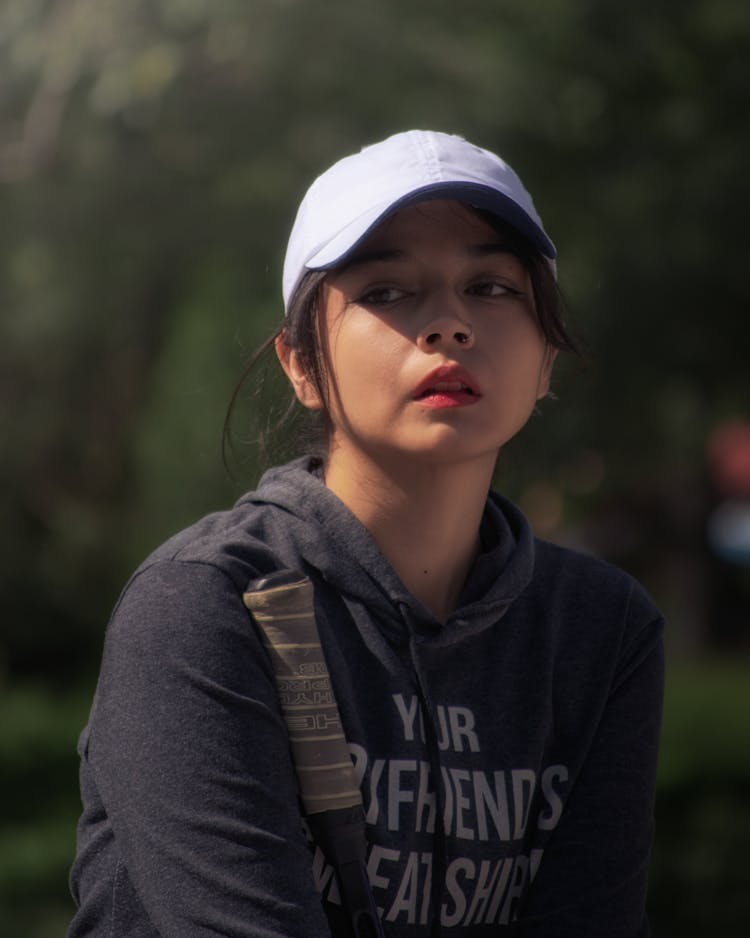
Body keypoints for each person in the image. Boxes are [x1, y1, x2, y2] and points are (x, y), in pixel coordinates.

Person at [67, 130, 664, 937]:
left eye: (491, 286)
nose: (450, 324)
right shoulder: (203, 607)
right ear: (302, 364)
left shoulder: (602, 628)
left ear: (546, 357)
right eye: (387, 293)